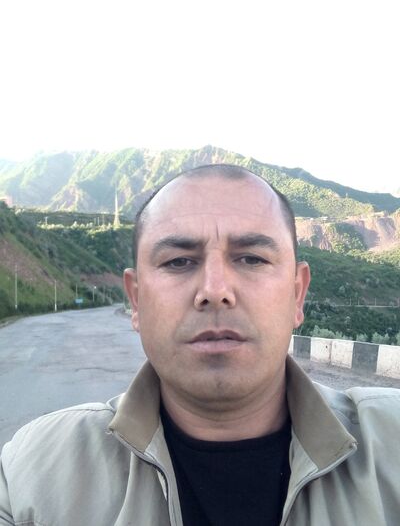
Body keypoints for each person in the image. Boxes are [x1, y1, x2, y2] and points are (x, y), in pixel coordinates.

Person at [0, 164, 399, 526]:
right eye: (178, 261)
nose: (214, 290)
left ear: (297, 294)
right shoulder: (32, 476)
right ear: (136, 300)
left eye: (251, 258)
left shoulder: (390, 445)